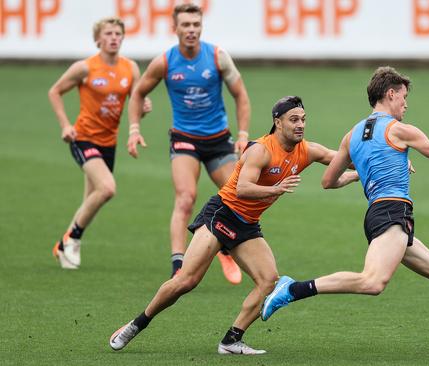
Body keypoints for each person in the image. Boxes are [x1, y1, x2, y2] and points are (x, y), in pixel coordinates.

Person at [261, 67, 429, 356]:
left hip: (384, 215)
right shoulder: (399, 130)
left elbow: (327, 181)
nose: (406, 104)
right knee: (372, 282)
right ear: (391, 94)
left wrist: (365, 172)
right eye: (404, 97)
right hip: (391, 214)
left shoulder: (353, 135)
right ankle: (293, 289)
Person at [109, 96, 359, 355]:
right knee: (186, 281)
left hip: (247, 225)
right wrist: (275, 188)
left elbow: (341, 159)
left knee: (268, 281)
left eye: (303, 120)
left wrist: (370, 165)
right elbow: (242, 188)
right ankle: (137, 324)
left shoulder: (307, 150)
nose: (301, 125)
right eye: (294, 120)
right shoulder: (261, 150)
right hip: (222, 214)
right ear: (277, 122)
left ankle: (231, 340)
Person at [127, 4, 249, 281]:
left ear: (201, 27)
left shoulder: (217, 57)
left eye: (196, 25)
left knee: (238, 198)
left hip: (218, 140)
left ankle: (224, 250)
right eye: (186, 25)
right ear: (176, 28)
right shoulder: (165, 62)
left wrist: (242, 134)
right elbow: (138, 93)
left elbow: (240, 94)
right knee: (185, 198)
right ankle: (178, 266)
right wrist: (134, 129)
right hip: (184, 139)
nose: (191, 30)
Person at [48, 17, 152, 269]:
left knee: (90, 201)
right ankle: (70, 240)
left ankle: (65, 244)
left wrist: (143, 109)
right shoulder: (84, 68)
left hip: (109, 143)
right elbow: (55, 91)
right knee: (107, 188)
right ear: (98, 39)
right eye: (108, 33)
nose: (114, 37)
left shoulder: (130, 68)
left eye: (118, 33)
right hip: (83, 138)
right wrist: (65, 125)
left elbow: (135, 102)